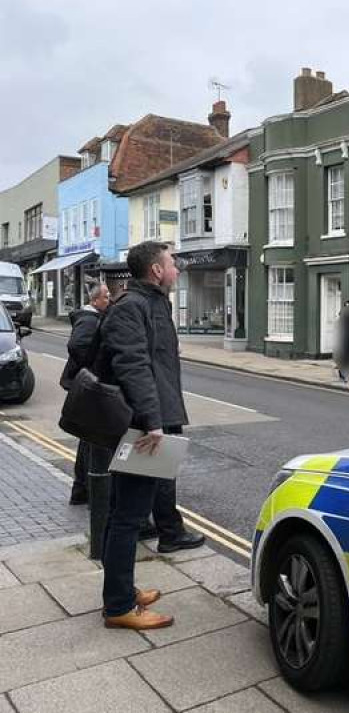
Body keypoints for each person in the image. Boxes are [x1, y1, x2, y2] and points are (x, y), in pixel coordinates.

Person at [97, 241, 202, 630]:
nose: (176, 268)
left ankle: (120, 590)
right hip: (140, 427)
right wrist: (153, 421)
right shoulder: (132, 307)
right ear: (156, 271)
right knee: (129, 515)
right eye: (172, 263)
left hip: (149, 420)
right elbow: (134, 366)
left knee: (125, 511)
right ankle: (120, 607)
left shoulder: (153, 302)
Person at [61, 282, 110, 505]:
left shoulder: (93, 318)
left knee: (88, 442)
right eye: (106, 297)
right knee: (94, 443)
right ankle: (90, 491)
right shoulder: (89, 320)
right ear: (95, 301)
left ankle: (81, 489)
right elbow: (76, 345)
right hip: (87, 388)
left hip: (83, 386)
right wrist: (92, 371)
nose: (109, 301)